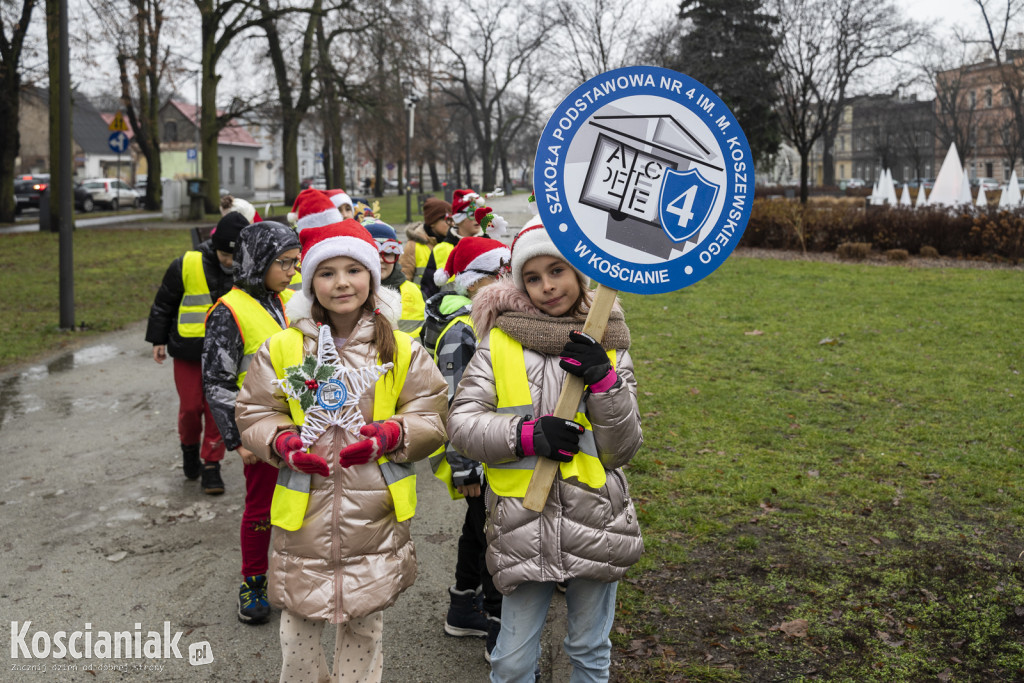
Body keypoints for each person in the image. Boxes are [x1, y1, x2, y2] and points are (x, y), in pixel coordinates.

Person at [234, 219, 447, 682]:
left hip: (373, 516)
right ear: (311, 283)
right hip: (302, 516)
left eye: (354, 269)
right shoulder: (283, 348)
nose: (342, 282)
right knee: (296, 640)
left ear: (372, 276)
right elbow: (253, 411)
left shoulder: (403, 350)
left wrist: (392, 434)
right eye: (327, 272)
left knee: (364, 635)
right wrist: (281, 440)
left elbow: (433, 416)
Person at [446, 218, 643, 682]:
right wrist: (527, 435)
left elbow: (623, 448)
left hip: (596, 519)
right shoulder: (501, 342)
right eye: (532, 278)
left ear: (580, 274)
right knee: (512, 659)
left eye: (557, 271)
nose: (547, 286)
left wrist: (605, 382)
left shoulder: (610, 344)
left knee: (590, 649)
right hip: (522, 521)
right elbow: (461, 423)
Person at [202, 221, 301, 625]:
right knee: (261, 509)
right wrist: (237, 439)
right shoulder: (228, 312)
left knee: (301, 505)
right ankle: (254, 581)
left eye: (296, 262)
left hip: (301, 427)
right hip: (258, 431)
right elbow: (217, 381)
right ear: (258, 260)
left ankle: (292, 576)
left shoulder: (291, 302)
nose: (292, 271)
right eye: (284, 262)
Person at [424, 236, 510, 661]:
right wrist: (465, 468)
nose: (507, 280)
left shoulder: (468, 317)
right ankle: (500, 633)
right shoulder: (463, 328)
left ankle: (462, 606)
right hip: (477, 458)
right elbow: (456, 404)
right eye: (500, 273)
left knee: (478, 529)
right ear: (477, 281)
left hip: (482, 454)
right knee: (496, 536)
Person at [146, 212, 243, 494]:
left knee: (218, 409)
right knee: (190, 408)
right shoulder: (186, 264)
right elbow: (164, 302)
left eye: (234, 257)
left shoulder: (248, 269)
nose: (229, 262)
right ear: (215, 246)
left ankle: (211, 464)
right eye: (225, 254)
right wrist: (157, 339)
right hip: (189, 350)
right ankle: (189, 448)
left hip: (227, 355)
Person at [366, 219, 426, 337]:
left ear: (396, 256)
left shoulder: (414, 291)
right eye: (374, 253)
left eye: (387, 253)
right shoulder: (351, 294)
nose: (381, 260)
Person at [420, 189, 481, 300]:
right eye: (472, 214)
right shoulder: (441, 249)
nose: (478, 218)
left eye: (481, 213)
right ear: (459, 218)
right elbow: (428, 289)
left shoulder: (490, 246)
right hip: (447, 313)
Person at [399, 197, 448, 286]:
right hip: (420, 299)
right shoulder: (413, 245)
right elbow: (404, 279)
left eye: (452, 220)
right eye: (446, 219)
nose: (450, 223)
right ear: (432, 222)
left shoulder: (452, 243)